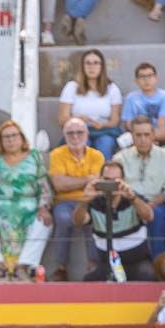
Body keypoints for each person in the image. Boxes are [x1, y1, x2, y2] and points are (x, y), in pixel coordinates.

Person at [0, 119, 52, 282]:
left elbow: (44, 185)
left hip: (29, 209)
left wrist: (44, 207)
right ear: (0, 141)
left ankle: (24, 266)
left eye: (13, 135)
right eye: (5, 137)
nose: (10, 140)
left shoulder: (34, 156)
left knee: (44, 223)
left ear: (21, 137)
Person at [72, 161, 157, 281]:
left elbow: (149, 216)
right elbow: (78, 221)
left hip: (137, 262)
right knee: (90, 281)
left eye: (116, 180)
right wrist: (84, 201)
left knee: (147, 275)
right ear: (100, 180)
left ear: (123, 180)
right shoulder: (94, 201)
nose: (111, 184)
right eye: (107, 179)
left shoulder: (132, 197)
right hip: (107, 264)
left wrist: (132, 198)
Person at [48, 117, 104, 282]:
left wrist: (70, 181)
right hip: (64, 202)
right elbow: (59, 185)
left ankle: (94, 265)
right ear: (64, 136)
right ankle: (60, 268)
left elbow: (97, 184)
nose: (75, 137)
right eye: (70, 133)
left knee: (93, 219)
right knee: (64, 219)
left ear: (87, 134)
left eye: (79, 132)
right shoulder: (57, 154)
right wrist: (87, 179)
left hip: (91, 199)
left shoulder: (97, 155)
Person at [114, 115, 165, 258]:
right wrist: (137, 203)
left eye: (146, 134)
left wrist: (150, 205)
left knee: (158, 214)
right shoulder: (120, 158)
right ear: (132, 136)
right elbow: (117, 187)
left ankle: (158, 263)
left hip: (157, 202)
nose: (143, 139)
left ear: (153, 135)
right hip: (129, 202)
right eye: (138, 135)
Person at [58, 49, 122, 160]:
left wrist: (102, 125)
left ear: (102, 66)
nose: (91, 67)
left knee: (105, 143)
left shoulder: (112, 88)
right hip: (78, 130)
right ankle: (81, 177)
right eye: (88, 63)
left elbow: (115, 121)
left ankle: (102, 176)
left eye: (96, 63)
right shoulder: (71, 87)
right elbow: (62, 119)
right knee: (81, 142)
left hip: (104, 131)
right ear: (82, 66)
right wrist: (77, 119)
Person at [121, 63, 165, 146]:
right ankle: (150, 143)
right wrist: (140, 133)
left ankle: (148, 142)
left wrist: (149, 135)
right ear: (136, 81)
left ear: (156, 78)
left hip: (158, 133)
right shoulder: (131, 98)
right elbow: (128, 124)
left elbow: (161, 124)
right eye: (142, 77)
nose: (146, 80)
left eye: (150, 76)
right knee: (131, 135)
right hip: (138, 132)